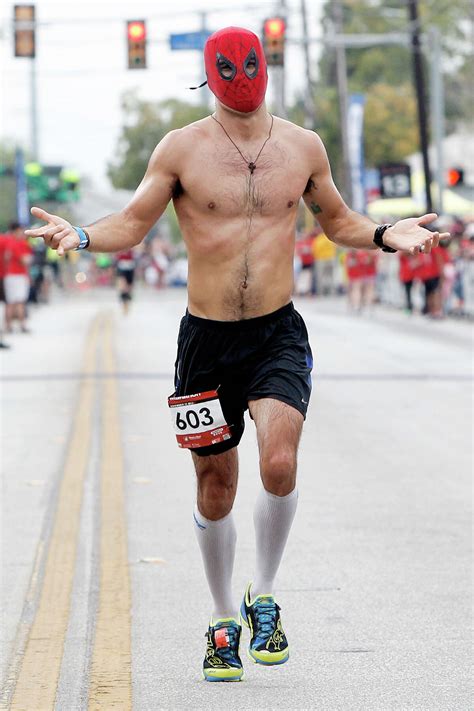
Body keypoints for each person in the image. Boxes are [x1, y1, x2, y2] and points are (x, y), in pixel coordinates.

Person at [24, 26, 449, 683]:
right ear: (212, 76)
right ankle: (224, 616)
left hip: (276, 331)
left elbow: (337, 220)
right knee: (214, 483)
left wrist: (389, 233)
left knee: (279, 460)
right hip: (206, 340)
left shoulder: (302, 146)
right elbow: (133, 222)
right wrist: (80, 234)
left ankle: (265, 594)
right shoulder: (181, 149)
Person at [4, 221, 33, 334]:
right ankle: (22, 325)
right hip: (18, 276)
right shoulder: (18, 243)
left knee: (10, 302)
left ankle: (8, 326)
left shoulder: (8, 241)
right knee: (20, 302)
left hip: (9, 275)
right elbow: (25, 260)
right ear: (17, 230)